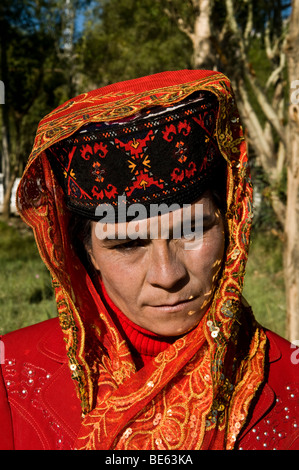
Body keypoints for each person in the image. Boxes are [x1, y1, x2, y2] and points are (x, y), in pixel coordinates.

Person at [0, 69, 298, 451]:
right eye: (127, 245)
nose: (167, 274)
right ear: (84, 253)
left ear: (231, 226)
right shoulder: (13, 382)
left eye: (192, 231)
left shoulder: (290, 384)